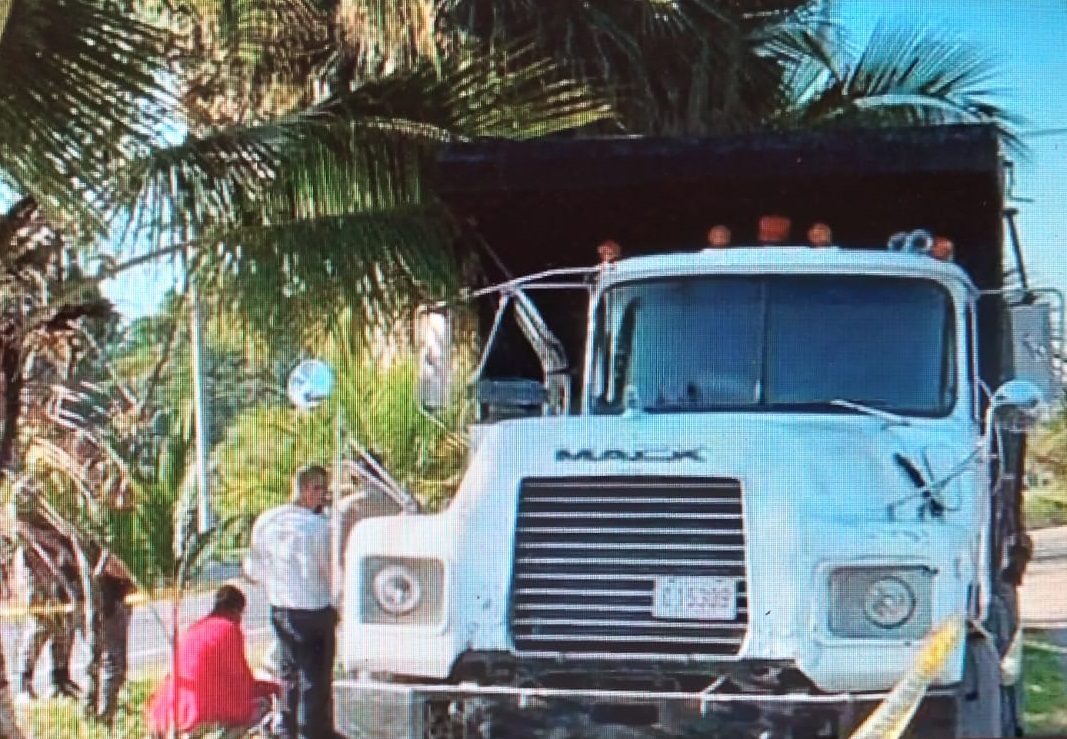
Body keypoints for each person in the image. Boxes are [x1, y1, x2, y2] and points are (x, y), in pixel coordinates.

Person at [245, 464, 337, 739]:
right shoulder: (319, 527)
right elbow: (328, 570)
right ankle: (313, 729)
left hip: (281, 607)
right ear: (307, 490)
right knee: (314, 676)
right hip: (314, 608)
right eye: (320, 489)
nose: (323, 497)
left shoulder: (268, 520)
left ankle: (285, 726)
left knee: (288, 673)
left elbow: (253, 568)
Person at [148, 585, 280, 739]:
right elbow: (242, 680)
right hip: (198, 714)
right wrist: (273, 689)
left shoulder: (196, 628)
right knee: (263, 706)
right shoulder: (229, 629)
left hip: (167, 712)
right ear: (238, 611)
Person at [13, 517, 82, 702]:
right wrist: (55, 544)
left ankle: (59, 679)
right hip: (35, 561)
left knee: (64, 622)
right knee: (40, 623)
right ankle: (24, 682)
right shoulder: (25, 490)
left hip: (60, 563)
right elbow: (20, 527)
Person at [83, 558, 136, 726]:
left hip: (116, 592)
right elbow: (111, 566)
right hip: (107, 596)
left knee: (116, 662)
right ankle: (104, 715)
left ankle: (109, 708)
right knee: (112, 661)